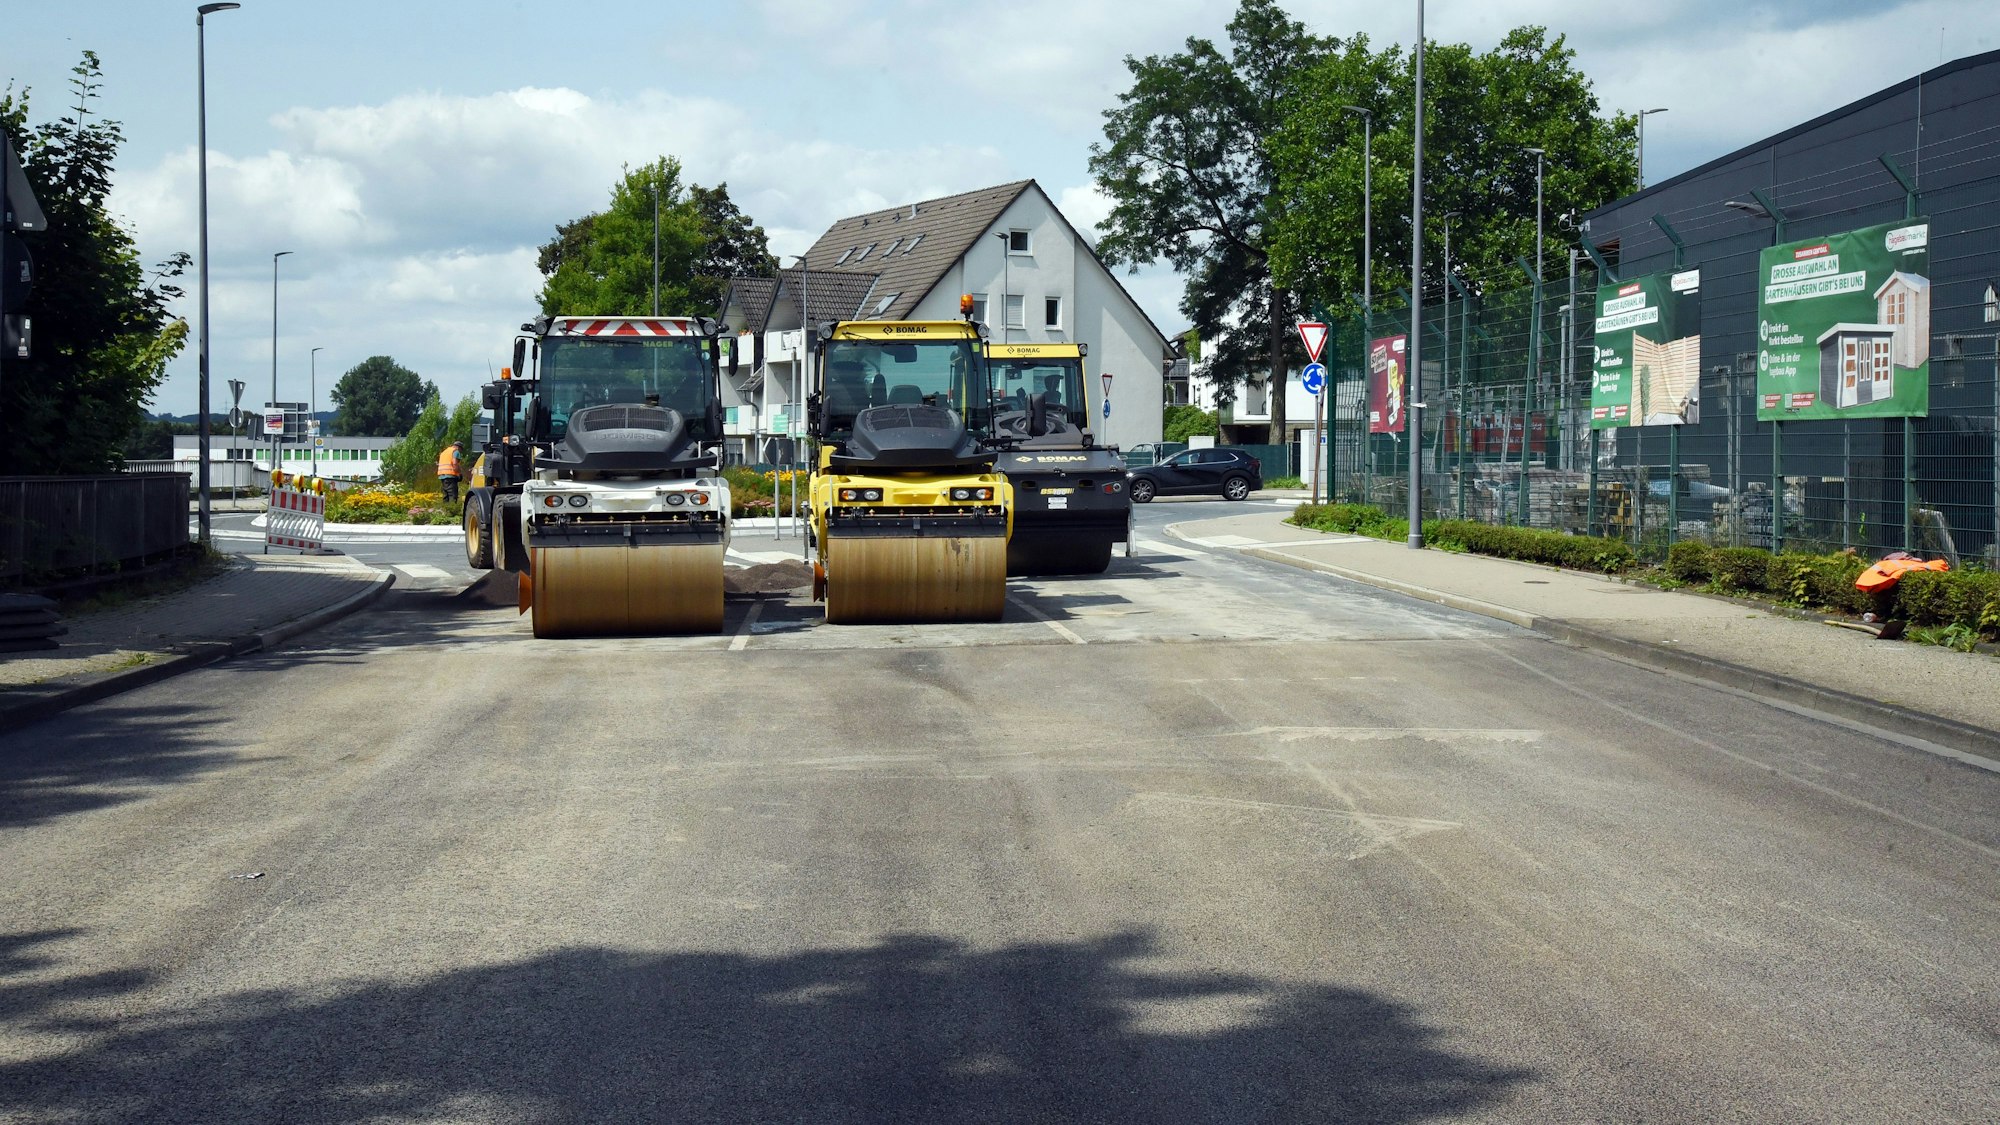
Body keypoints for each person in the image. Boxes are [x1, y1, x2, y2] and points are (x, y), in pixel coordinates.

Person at [437, 441, 465, 506]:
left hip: (442, 475)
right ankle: (452, 509)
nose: (460, 452)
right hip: (450, 475)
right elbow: (455, 463)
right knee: (452, 495)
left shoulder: (444, 452)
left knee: (445, 495)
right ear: (459, 447)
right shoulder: (455, 451)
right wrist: (459, 473)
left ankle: (446, 510)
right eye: (461, 450)